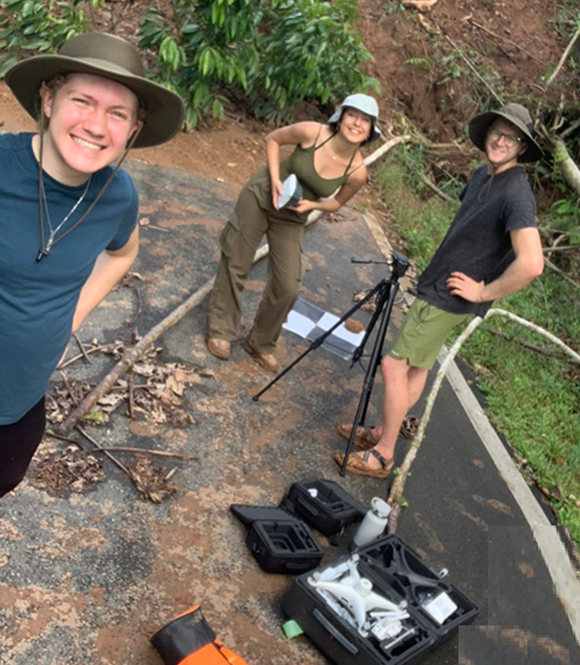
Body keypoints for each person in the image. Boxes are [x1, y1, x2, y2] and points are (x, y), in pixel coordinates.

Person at [0, 32, 184, 590]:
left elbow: (123, 253)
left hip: (14, 419)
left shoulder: (117, 196)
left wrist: (69, 318)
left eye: (118, 113)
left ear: (134, 130)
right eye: (83, 101)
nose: (97, 125)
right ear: (48, 99)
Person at [335, 103, 544, 478]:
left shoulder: (517, 194)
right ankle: (383, 431)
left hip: (449, 296)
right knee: (416, 367)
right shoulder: (484, 175)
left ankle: (383, 454)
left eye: (511, 137)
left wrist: (483, 293)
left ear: (523, 147)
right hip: (440, 284)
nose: (500, 140)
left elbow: (531, 262)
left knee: (392, 364)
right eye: (497, 131)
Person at [206, 94, 381, 372]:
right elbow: (273, 139)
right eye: (352, 115)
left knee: (288, 284)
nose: (357, 123)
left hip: (292, 216)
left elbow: (336, 202)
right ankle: (221, 329)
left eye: (365, 120)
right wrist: (275, 178)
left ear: (371, 131)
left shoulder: (357, 172)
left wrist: (312, 205)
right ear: (341, 117)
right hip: (264, 193)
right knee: (237, 259)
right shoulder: (313, 132)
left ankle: (260, 342)